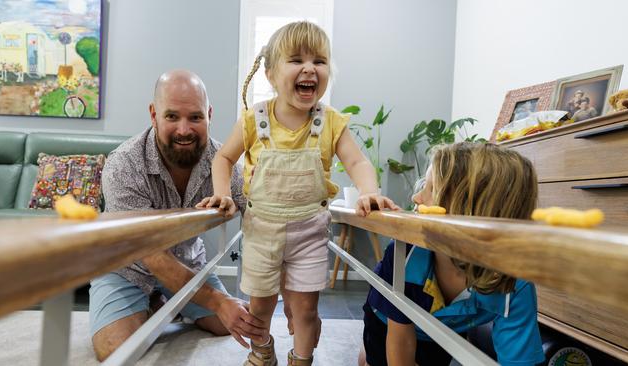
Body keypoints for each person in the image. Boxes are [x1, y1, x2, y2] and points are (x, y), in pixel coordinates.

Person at [198, 21, 399, 366]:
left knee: (306, 308)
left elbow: (357, 161)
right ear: (271, 73)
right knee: (259, 306)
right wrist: (222, 194)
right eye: (296, 59)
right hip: (262, 232)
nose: (310, 68)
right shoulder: (253, 119)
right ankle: (262, 352)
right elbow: (223, 158)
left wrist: (369, 192)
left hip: (309, 233)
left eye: (319, 61)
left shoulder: (331, 121)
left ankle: (301, 358)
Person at [90, 70, 265, 361]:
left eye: (195, 117)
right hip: (125, 268)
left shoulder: (225, 163)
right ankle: (157, 304)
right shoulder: (123, 165)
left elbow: (259, 220)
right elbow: (151, 255)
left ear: (209, 114)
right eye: (172, 117)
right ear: (153, 114)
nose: (184, 130)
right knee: (117, 349)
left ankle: (171, 302)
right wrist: (216, 300)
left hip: (188, 263)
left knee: (229, 324)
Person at [359, 142, 546, 366]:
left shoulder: (514, 282)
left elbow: (520, 360)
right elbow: (399, 341)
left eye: (430, 190)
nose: (416, 198)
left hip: (443, 331)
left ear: (467, 209)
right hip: (386, 321)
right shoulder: (404, 253)